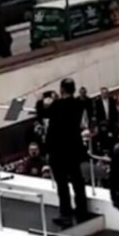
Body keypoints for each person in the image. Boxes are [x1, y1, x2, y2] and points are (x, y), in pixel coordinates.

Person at [45, 78, 89, 227]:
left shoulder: (56, 106)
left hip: (59, 151)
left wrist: (44, 100)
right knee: (77, 181)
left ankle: (66, 214)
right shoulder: (78, 104)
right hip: (74, 149)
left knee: (62, 184)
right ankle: (82, 210)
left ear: (62, 89)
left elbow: (44, 114)